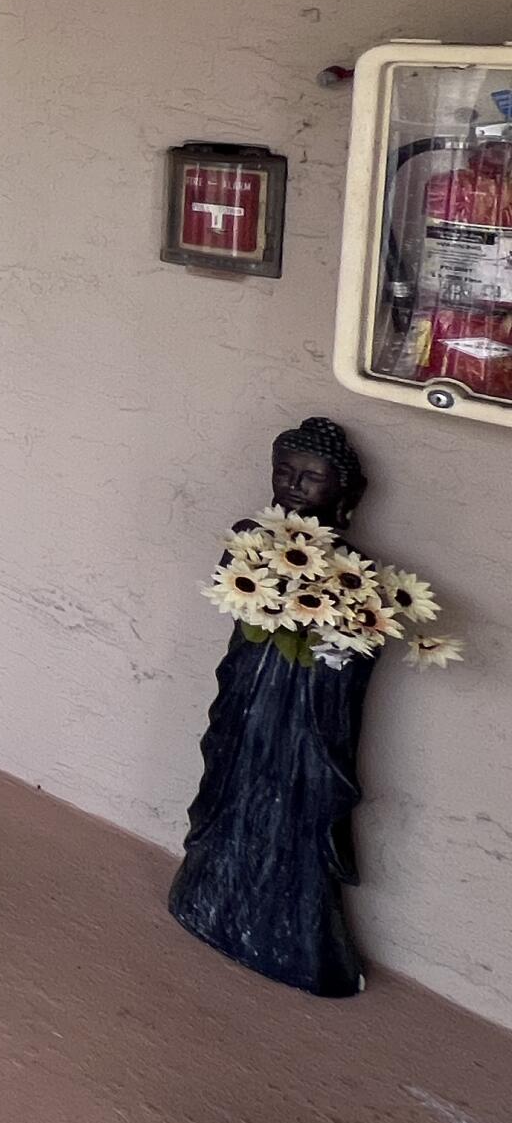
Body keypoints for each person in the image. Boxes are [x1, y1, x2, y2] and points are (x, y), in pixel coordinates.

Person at [165, 418, 372, 997]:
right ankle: (209, 895)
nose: (295, 485)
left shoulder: (355, 569)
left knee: (297, 803)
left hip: (306, 715)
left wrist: (329, 640)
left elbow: (358, 643)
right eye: (284, 472)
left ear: (346, 492)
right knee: (229, 782)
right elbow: (235, 594)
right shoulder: (252, 536)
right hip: (249, 693)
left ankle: (294, 936)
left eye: (313, 476)